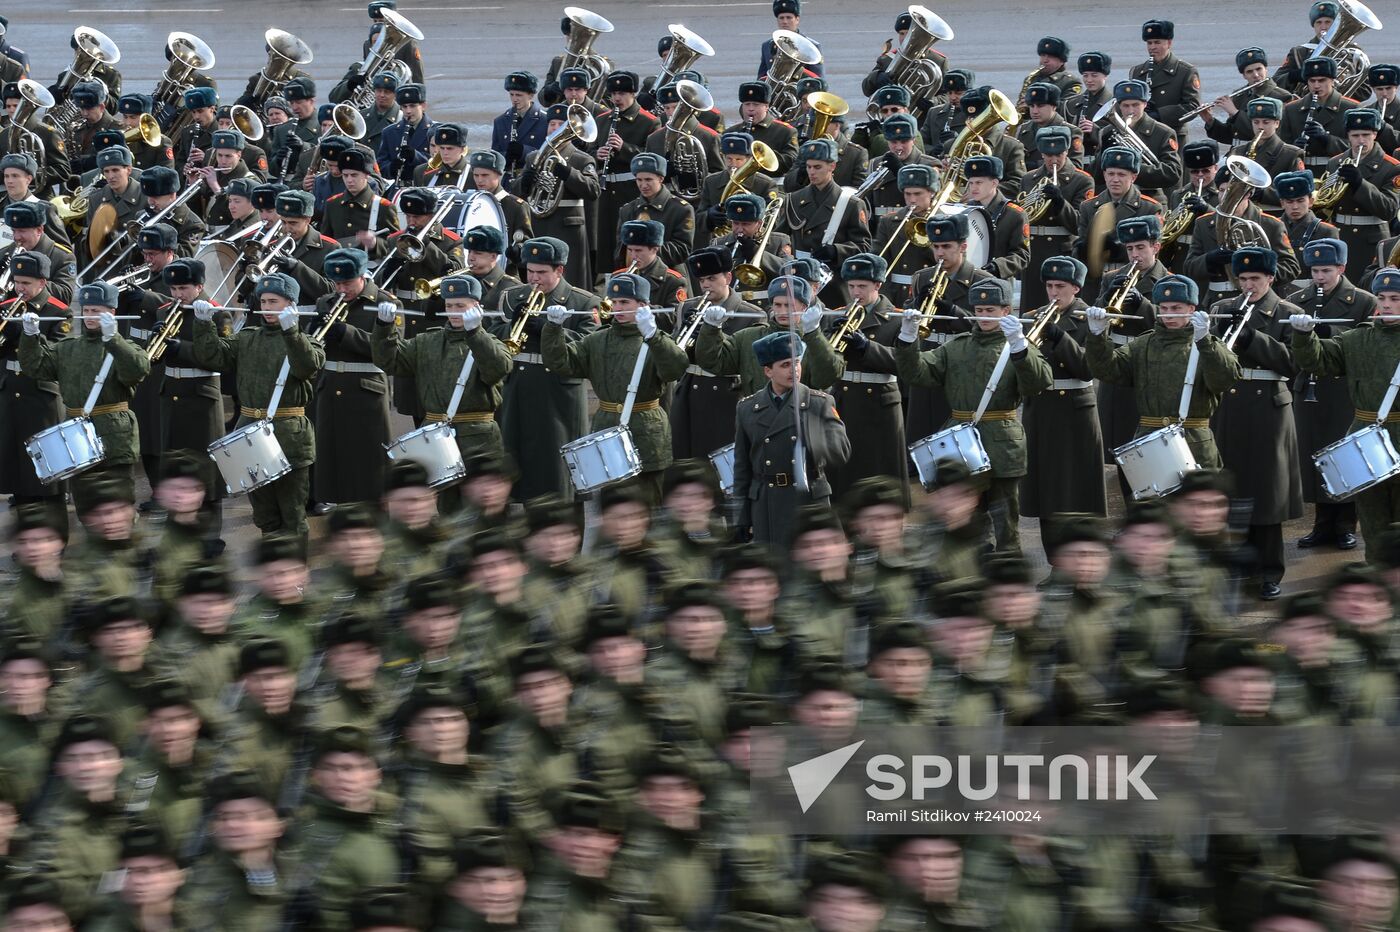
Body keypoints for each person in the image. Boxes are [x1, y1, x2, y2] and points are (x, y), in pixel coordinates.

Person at [896, 277, 1052, 551]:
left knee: (1006, 523)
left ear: (1006, 311)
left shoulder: (1017, 345)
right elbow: (917, 373)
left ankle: (1006, 568)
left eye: (991, 310)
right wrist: (908, 339)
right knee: (964, 520)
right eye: (979, 311)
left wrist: (1020, 347)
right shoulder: (957, 347)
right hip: (961, 443)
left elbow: (1038, 383)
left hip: (1002, 443)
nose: (984, 316)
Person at [191, 272, 325, 539]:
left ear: (291, 305)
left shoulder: (308, 341)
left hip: (289, 435)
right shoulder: (248, 337)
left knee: (292, 514)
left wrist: (292, 333)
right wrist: (204, 324)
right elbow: (213, 357)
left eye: (274, 301)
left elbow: (307, 367)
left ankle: (294, 564)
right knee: (264, 515)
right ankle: (272, 561)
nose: (267, 308)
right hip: (249, 430)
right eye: (263, 302)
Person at [1208, 247, 1304, 600]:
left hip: (1269, 409)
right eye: (1243, 279)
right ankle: (1236, 566)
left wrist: (1252, 338)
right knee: (1230, 487)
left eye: (1255, 279)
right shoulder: (1221, 308)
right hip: (1229, 405)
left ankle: (1269, 570)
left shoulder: (1289, 313)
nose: (1248, 285)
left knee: (1267, 491)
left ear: (1271, 278)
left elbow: (1294, 364)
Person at [543, 271, 688, 503]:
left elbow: (675, 369)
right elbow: (562, 363)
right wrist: (553, 329)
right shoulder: (598, 340)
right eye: (614, 302)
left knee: (649, 501)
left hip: (646, 429)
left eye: (625, 302)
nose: (617, 308)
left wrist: (653, 335)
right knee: (613, 504)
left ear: (643, 305)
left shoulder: (656, 340)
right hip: (608, 427)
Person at [1291, 268, 1400, 558]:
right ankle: (1378, 575)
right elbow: (1317, 361)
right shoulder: (1357, 339)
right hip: (1367, 438)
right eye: (1382, 298)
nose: (1387, 304)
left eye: (1395, 298)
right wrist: (1304, 335)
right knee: (1374, 524)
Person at [1086, 274, 1242, 470]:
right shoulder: (1143, 345)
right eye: (1164, 308)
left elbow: (1224, 380)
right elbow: (1107, 370)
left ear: (1192, 309)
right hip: (1149, 442)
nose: (1169, 315)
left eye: (1176, 308)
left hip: (1194, 444)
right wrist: (1097, 335)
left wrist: (1204, 341)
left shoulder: (1209, 345)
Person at [18, 280, 149, 513]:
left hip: (115, 436)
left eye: (95, 310)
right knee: (86, 505)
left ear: (111, 312)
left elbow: (137, 370)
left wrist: (113, 339)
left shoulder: (125, 346)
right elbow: (37, 368)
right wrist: (30, 336)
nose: (89, 316)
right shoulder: (68, 347)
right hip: (77, 437)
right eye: (86, 310)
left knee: (119, 504)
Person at [373, 273, 514, 472]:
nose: (453, 312)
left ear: (476, 307)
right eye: (449, 306)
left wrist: (475, 333)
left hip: (478, 439)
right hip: (435, 436)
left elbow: (497, 369)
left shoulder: (491, 342)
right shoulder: (427, 342)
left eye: (460, 306)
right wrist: (384, 327)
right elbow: (390, 361)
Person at [495, 237, 600, 501]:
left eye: (541, 272)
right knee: (518, 465)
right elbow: (492, 336)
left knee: (559, 471)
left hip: (558, 395)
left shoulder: (582, 302)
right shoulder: (513, 297)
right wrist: (510, 327)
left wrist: (550, 330)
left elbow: (589, 345)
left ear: (559, 270)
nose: (533, 278)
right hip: (518, 390)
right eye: (530, 271)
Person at [733, 330, 849, 545]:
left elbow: (841, 452)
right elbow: (742, 468)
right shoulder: (747, 408)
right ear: (768, 371)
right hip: (767, 505)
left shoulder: (819, 403)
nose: (794, 370)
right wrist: (741, 516)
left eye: (796, 363)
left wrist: (815, 436)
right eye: (785, 365)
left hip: (808, 501)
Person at [1021, 256, 1107, 546]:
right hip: (1041, 409)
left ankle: (1081, 552)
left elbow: (1088, 368)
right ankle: (1053, 556)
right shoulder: (1035, 316)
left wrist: (1060, 338)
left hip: (1075, 410)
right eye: (1049, 286)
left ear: (1076, 288)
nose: (1053, 292)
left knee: (1077, 488)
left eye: (1060, 286)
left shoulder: (1090, 318)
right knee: (1046, 489)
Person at [1290, 238, 1369, 551]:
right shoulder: (1298, 299)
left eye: (1326, 270)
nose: (1319, 277)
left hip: (1342, 390)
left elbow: (1366, 339)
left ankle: (1346, 524)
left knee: (1344, 458)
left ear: (1342, 268)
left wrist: (1329, 333)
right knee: (1315, 456)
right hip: (1309, 388)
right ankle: (1322, 524)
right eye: (1314, 271)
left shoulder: (1362, 301)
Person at [824, 253, 909, 501]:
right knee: (844, 473)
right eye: (851, 286)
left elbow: (906, 364)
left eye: (862, 286)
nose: (855, 292)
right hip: (844, 399)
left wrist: (867, 348)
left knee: (881, 472)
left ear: (878, 285)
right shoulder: (836, 315)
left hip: (880, 404)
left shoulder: (897, 318)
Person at [671, 246, 758, 460]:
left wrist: (712, 334)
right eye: (701, 280)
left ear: (728, 277)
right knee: (685, 457)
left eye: (711, 278)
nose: (705, 285)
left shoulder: (750, 315)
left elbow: (744, 359)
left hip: (726, 396)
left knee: (723, 460)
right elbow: (675, 351)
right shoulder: (687, 308)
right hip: (689, 391)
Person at [0, 250, 69, 520]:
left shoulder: (58, 311)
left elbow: (57, 356)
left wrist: (26, 336)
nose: (20, 288)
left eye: (26, 283)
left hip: (41, 399)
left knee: (46, 476)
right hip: (10, 394)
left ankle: (53, 528)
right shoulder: (6, 305)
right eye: (17, 282)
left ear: (42, 282)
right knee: (17, 471)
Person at [515, 103, 601, 288]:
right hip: (538, 224)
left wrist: (567, 172)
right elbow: (516, 193)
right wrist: (524, 182)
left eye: (561, 125)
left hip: (568, 228)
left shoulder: (582, 159)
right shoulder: (534, 157)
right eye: (552, 124)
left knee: (570, 279)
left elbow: (593, 190)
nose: (555, 128)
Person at [590, 72, 661, 275]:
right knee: (606, 242)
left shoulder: (649, 122)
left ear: (633, 93)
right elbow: (588, 151)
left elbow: (653, 159)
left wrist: (625, 148)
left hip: (632, 189)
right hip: (606, 191)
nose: (616, 99)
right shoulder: (602, 120)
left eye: (621, 94)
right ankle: (608, 280)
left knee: (629, 240)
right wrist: (597, 155)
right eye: (613, 94)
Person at [1127, 19, 1201, 144]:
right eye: (1149, 43)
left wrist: (1159, 114)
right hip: (1143, 136)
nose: (1152, 47)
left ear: (1169, 43)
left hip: (1173, 136)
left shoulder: (1185, 71)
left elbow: (1193, 107)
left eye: (1157, 42)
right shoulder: (1137, 71)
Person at [491, 70, 549, 186]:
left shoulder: (545, 120)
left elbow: (548, 154)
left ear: (531, 95)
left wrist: (523, 151)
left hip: (533, 179)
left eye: (519, 95)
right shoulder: (500, 121)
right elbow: (495, 155)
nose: (514, 99)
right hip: (509, 180)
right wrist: (506, 157)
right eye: (511, 95)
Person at [376, 82, 434, 185]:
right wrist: (391, 168)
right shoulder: (389, 132)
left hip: (426, 186)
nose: (408, 111)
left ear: (423, 106)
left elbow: (440, 162)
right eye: (404, 106)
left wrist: (415, 156)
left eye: (412, 106)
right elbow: (380, 165)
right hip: (399, 187)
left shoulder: (435, 131)